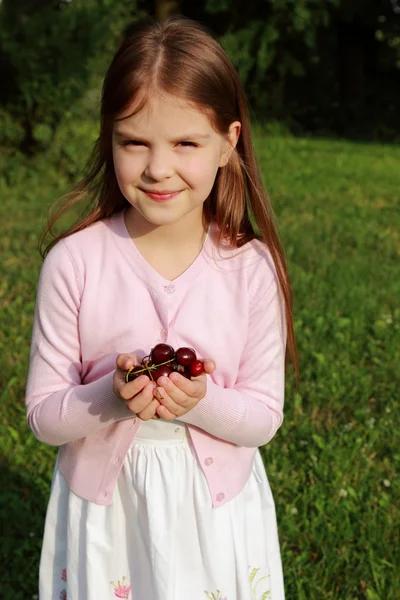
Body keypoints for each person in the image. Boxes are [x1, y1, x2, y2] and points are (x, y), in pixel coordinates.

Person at [25, 16, 297, 600]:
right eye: (134, 142)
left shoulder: (250, 269)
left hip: (214, 511)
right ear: (109, 139)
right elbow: (44, 417)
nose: (157, 167)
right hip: (109, 514)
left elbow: (263, 417)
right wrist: (109, 395)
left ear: (229, 143)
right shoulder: (75, 263)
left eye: (186, 143)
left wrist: (200, 402)